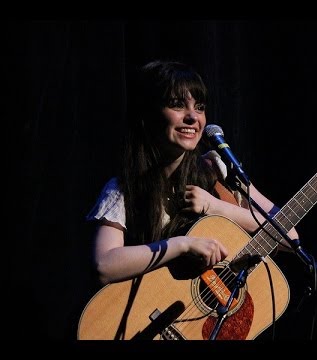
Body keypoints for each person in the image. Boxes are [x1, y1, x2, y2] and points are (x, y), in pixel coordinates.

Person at [86, 59, 299, 287]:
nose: (193, 117)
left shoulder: (217, 170)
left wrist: (215, 207)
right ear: (149, 115)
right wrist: (181, 245)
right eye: (177, 105)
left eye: (200, 107)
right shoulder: (123, 188)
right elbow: (104, 264)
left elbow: (290, 237)